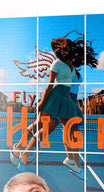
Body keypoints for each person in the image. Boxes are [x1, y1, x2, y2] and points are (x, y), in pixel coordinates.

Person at [11, 34, 85, 174]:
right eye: (71, 50)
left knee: (71, 133)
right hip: (58, 100)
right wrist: (43, 102)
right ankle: (21, 150)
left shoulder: (73, 70)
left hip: (68, 102)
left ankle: (76, 165)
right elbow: (51, 85)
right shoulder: (61, 65)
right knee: (41, 128)